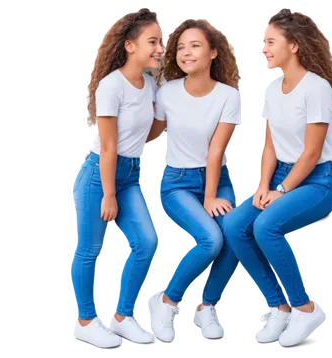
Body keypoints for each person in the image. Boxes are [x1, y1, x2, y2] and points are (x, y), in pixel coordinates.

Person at [222, 7, 332, 347]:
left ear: (294, 45)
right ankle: (280, 306)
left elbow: (311, 151)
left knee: (265, 227)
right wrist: (262, 186)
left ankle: (306, 309)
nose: (264, 48)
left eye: (271, 41)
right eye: (264, 42)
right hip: (281, 175)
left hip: (318, 180)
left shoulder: (316, 88)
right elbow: (272, 140)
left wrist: (281, 189)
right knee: (234, 226)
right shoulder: (272, 87)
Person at [68, 6, 165, 349]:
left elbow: (148, 135)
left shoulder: (151, 84)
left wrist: (166, 108)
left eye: (161, 41)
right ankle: (85, 322)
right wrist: (108, 193)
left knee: (147, 242)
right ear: (129, 45)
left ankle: (122, 317)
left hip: (130, 173)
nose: (160, 48)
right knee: (90, 248)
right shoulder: (112, 86)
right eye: (152, 41)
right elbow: (108, 145)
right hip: (100, 174)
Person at [144, 17, 242, 343]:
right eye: (181, 47)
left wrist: (211, 195)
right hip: (177, 183)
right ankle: (167, 301)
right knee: (211, 240)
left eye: (195, 46)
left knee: (236, 235)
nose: (186, 53)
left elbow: (216, 151)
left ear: (214, 52)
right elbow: (152, 135)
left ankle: (206, 307)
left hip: (218, 178)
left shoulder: (229, 96)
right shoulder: (166, 92)